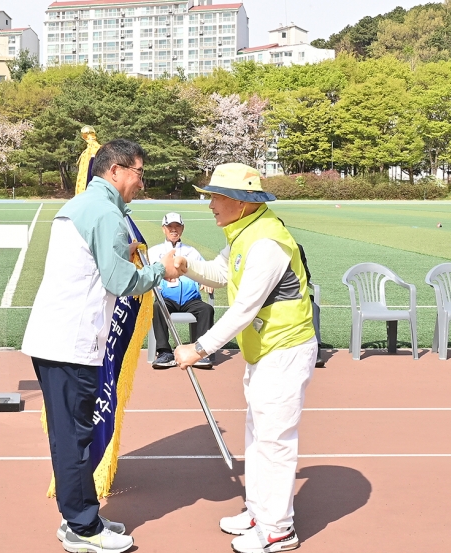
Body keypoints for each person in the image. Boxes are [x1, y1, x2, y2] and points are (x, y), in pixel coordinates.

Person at [22, 139, 181, 553]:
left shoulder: (80, 205)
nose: (141, 183)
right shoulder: (107, 213)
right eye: (139, 173)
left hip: (57, 337)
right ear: (115, 171)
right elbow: (120, 282)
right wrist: (159, 273)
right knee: (75, 436)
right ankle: (82, 527)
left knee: (71, 433)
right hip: (71, 342)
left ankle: (81, 514)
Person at [173, 163, 317, 553]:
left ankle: (278, 530)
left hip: (284, 351)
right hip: (266, 352)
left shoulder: (267, 242)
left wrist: (199, 348)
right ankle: (259, 510)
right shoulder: (245, 232)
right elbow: (221, 272)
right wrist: (187, 266)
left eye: (217, 197)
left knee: (275, 441)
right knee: (257, 436)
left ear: (241, 202)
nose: (211, 206)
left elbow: (243, 310)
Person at [147, 212, 215, 369]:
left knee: (206, 309)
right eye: (170, 226)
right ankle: (164, 353)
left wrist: (207, 281)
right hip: (166, 299)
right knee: (157, 307)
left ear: (182, 229)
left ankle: (200, 352)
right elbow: (147, 273)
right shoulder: (153, 252)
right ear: (163, 229)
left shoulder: (192, 252)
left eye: (177, 226)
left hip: (191, 300)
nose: (173, 230)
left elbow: (205, 271)